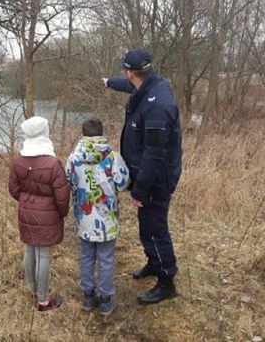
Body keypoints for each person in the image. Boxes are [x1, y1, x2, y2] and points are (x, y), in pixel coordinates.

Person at [103, 47, 182, 304]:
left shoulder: (158, 106)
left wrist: (140, 190)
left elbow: (154, 155)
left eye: (124, 74)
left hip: (156, 180)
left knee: (154, 228)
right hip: (149, 177)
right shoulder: (150, 84)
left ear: (131, 73)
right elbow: (127, 86)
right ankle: (153, 263)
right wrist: (108, 83)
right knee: (147, 225)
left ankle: (166, 280)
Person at [65, 117, 129, 316]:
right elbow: (123, 183)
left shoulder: (74, 158)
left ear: (83, 134)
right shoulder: (112, 157)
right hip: (107, 219)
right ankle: (106, 300)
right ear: (102, 133)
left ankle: (88, 295)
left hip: (84, 218)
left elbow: (67, 180)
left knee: (86, 256)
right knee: (106, 258)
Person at [8, 116, 70, 311]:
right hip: (48, 213)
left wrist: (26, 201)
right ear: (45, 133)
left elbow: (13, 188)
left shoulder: (19, 160)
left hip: (26, 211)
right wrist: (62, 212)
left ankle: (33, 290)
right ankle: (43, 301)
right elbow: (62, 194)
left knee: (29, 250)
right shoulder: (53, 163)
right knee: (42, 254)